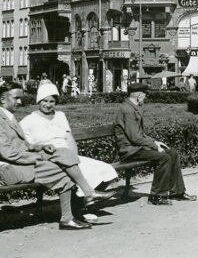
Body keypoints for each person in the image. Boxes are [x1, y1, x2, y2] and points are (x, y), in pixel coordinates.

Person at [0, 82, 113, 230]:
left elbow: (22, 144)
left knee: (61, 156)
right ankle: (86, 196)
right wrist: (35, 157)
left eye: (20, 98)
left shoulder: (9, 116)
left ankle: (70, 216)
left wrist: (38, 147)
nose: (20, 102)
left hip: (20, 163)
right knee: (62, 169)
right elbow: (7, 152)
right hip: (9, 169)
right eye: (16, 98)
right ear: (2, 99)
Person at [20, 83, 118, 197]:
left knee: (106, 169)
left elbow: (69, 137)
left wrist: (74, 158)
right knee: (73, 170)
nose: (48, 105)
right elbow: (27, 145)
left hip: (67, 157)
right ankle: (85, 198)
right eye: (44, 101)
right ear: (38, 101)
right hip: (48, 158)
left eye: (52, 101)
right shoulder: (28, 121)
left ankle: (85, 202)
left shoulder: (60, 115)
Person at [114, 83, 197, 205]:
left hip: (136, 147)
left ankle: (177, 192)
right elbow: (135, 137)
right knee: (163, 157)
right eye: (144, 95)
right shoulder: (128, 110)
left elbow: (139, 134)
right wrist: (154, 146)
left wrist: (154, 142)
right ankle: (157, 196)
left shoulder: (132, 108)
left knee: (172, 153)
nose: (145, 98)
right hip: (129, 151)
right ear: (138, 95)